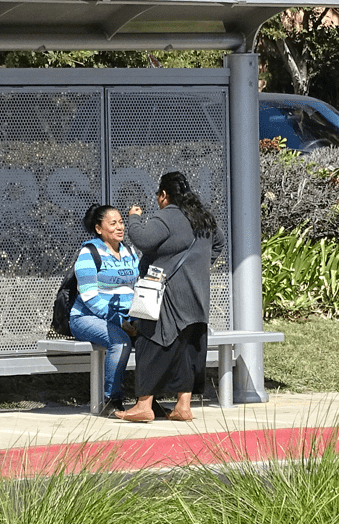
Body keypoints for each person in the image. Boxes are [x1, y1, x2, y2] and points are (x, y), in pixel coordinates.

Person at [115, 171, 224, 423]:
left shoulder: (167, 217)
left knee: (151, 343)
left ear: (164, 195)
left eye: (158, 196)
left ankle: (144, 406)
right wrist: (198, 267)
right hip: (197, 297)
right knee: (187, 347)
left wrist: (133, 218)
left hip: (168, 296)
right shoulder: (203, 218)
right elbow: (218, 242)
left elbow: (142, 238)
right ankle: (183, 406)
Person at [70, 204, 139, 417]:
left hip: (124, 316)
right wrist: (119, 320)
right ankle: (112, 399)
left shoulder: (128, 251)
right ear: (99, 229)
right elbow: (89, 296)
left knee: (152, 339)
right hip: (86, 317)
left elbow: (137, 285)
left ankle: (145, 400)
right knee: (120, 341)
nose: (120, 227)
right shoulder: (88, 252)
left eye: (121, 222)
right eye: (113, 224)